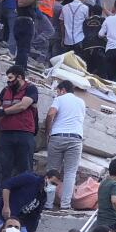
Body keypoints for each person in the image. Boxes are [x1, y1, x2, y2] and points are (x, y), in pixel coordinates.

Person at [45, 80, 86, 209]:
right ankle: (65, 205)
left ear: (63, 90)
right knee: (70, 173)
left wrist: (48, 131)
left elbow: (51, 113)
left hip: (57, 136)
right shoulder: (81, 102)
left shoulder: (59, 99)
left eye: (58, 91)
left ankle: (48, 204)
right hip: (75, 138)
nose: (57, 93)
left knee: (52, 171)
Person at [0, 65, 39, 180]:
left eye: (10, 78)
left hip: (24, 133)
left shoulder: (31, 89)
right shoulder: (5, 90)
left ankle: (24, 197)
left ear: (19, 77)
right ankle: (2, 196)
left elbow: (23, 106)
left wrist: (3, 112)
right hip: (6, 134)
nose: (8, 81)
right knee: (4, 168)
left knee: (24, 169)